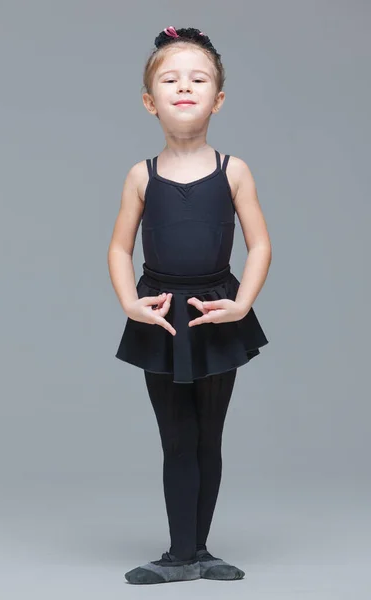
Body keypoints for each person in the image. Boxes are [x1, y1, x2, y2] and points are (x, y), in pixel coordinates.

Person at [108, 25, 271, 585]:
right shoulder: (140, 175)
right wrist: (130, 301)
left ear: (217, 99)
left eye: (198, 79)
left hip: (216, 311)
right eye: (170, 79)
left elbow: (261, 244)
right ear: (150, 101)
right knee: (175, 434)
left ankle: (199, 549)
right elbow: (118, 246)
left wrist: (242, 304)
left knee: (209, 434)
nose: (185, 87)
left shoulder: (235, 170)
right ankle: (179, 554)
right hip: (161, 315)